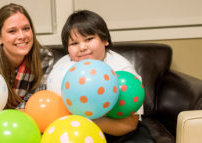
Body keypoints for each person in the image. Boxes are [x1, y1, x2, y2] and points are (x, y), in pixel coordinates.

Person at [57, 10, 155, 143]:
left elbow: (130, 124)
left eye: (89, 39)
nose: (82, 47)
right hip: (78, 128)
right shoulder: (62, 68)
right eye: (74, 43)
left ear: (105, 40)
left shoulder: (122, 71)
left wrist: (86, 119)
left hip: (118, 130)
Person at [0, 3, 54, 109]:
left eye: (26, 28)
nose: (22, 36)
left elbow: (35, 103)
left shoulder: (44, 58)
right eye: (12, 31)